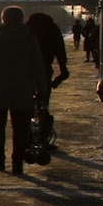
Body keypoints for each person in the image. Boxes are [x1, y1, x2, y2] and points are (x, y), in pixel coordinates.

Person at [0, 5, 46, 175]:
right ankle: (17, 164)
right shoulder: (29, 39)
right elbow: (37, 67)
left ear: (3, 19)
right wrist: (42, 90)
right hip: (23, 91)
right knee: (21, 130)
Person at [26, 10, 69, 164]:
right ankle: (43, 140)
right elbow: (60, 50)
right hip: (44, 71)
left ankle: (26, 139)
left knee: (26, 107)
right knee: (43, 104)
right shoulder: (52, 29)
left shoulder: (26, 30)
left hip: (26, 72)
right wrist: (63, 70)